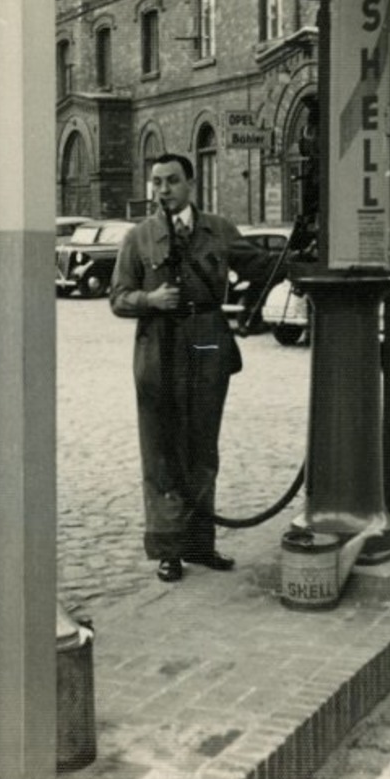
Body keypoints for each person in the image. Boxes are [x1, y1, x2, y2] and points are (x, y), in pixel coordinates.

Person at [110, 152, 251, 583]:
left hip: (207, 346)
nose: (163, 190)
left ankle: (200, 544)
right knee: (161, 451)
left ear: (191, 184)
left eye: (171, 181)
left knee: (202, 447)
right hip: (158, 352)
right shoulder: (140, 236)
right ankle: (168, 550)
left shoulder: (219, 231)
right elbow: (118, 297)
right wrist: (148, 301)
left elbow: (259, 266)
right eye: (156, 182)